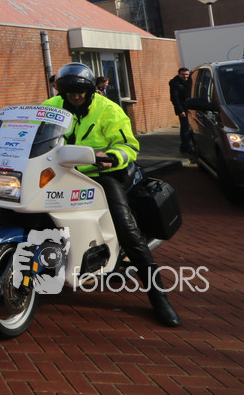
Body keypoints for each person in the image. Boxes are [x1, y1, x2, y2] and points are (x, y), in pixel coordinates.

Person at [44, 62, 180, 327]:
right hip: (62, 172)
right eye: (69, 92)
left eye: (80, 92)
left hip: (101, 173)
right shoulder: (49, 107)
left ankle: (159, 297)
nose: (75, 96)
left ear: (90, 90)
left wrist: (113, 156)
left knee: (126, 229)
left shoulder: (108, 109)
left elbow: (128, 145)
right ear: (61, 91)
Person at [169, 67, 193, 155]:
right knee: (185, 128)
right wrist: (180, 110)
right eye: (183, 74)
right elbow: (174, 98)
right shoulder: (175, 83)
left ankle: (187, 146)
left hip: (191, 107)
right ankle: (186, 147)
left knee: (191, 127)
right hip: (182, 109)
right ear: (179, 74)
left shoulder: (190, 81)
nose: (185, 76)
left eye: (187, 74)